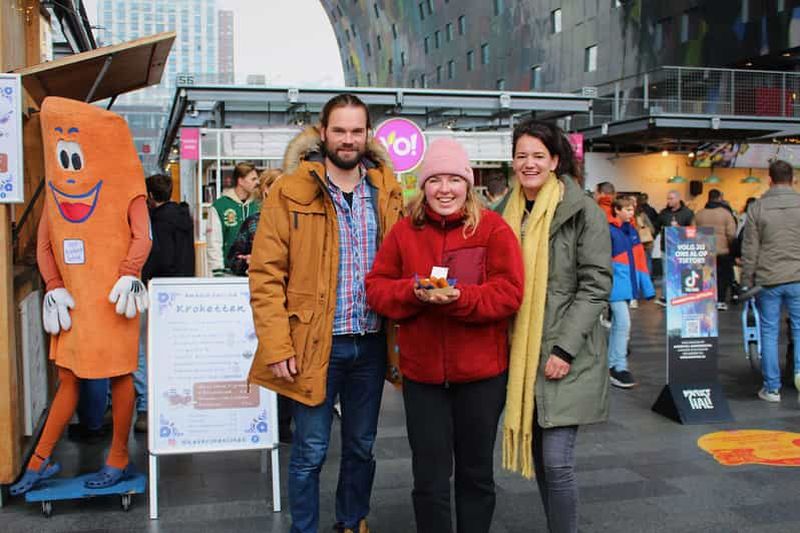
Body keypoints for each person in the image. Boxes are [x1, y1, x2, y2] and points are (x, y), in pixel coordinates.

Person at [247, 93, 403, 533]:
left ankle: (351, 522)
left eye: (357, 131)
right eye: (340, 130)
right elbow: (265, 274)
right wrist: (277, 344)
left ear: (367, 135)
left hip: (371, 343)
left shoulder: (386, 189)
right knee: (311, 450)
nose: (348, 139)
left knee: (361, 446)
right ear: (322, 133)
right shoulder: (289, 190)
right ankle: (305, 528)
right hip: (313, 343)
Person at [365, 138, 524, 533]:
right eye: (436, 179)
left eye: (455, 179)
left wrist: (460, 298)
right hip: (423, 378)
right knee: (429, 478)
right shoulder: (404, 232)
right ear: (424, 185)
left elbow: (510, 292)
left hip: (482, 376)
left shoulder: (493, 229)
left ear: (468, 185)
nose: (445, 189)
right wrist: (411, 292)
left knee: (476, 474)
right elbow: (377, 288)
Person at [11, 97, 151, 495]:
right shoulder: (59, 194)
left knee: (120, 374)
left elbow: (143, 236)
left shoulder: (126, 186)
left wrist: (128, 273)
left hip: (113, 301)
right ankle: (40, 460)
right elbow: (44, 245)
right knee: (71, 377)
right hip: (75, 301)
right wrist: (54, 286)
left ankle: (118, 458)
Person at [498, 118, 611, 533]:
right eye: (522, 155)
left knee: (557, 460)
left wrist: (564, 349)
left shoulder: (581, 211)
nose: (529, 164)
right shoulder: (502, 212)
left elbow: (595, 285)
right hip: (519, 353)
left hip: (566, 352)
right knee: (547, 461)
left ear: (555, 160)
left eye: (538, 156)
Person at [135, 174, 195, 432]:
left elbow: (161, 258)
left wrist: (144, 275)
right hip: (182, 291)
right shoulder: (183, 217)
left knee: (145, 349)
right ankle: (177, 399)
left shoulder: (158, 223)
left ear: (149, 196)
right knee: (174, 350)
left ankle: (148, 405)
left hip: (160, 291)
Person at [741, 159, 800, 402]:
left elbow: (750, 249)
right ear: (793, 179)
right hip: (798, 277)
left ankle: (772, 388)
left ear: (769, 179)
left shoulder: (757, 208)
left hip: (768, 279)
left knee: (769, 330)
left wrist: (746, 280)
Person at [607, 196, 655, 388]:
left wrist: (647, 287)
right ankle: (618, 366)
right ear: (616, 210)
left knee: (620, 325)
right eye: (626, 209)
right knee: (623, 324)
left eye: (631, 209)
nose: (630, 212)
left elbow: (640, 261)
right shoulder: (614, 232)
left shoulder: (631, 231)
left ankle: (614, 365)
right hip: (617, 285)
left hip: (624, 285)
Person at [206, 162, 260, 274]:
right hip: (229, 271)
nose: (257, 182)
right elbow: (214, 242)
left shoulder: (258, 205)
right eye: (253, 179)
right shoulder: (220, 206)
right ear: (240, 181)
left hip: (256, 270)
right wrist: (217, 270)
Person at [227, 168, 282, 276]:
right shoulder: (253, 222)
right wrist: (247, 261)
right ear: (266, 189)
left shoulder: (295, 220)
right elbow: (233, 260)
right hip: (261, 284)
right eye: (279, 185)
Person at [695, 189, 737, 311]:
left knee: (706, 276)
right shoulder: (726, 214)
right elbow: (731, 234)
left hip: (704, 251)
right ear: (719, 198)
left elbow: (692, 232)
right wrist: (730, 248)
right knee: (722, 278)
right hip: (722, 252)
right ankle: (720, 301)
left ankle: (706, 299)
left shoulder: (699, 214)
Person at [654, 190, 695, 306]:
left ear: (678, 199)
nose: (668, 201)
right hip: (666, 248)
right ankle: (665, 297)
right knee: (666, 273)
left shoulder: (688, 213)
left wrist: (680, 228)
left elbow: (693, 231)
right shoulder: (663, 213)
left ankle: (682, 296)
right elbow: (656, 227)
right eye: (667, 198)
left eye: (671, 198)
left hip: (682, 248)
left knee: (682, 272)